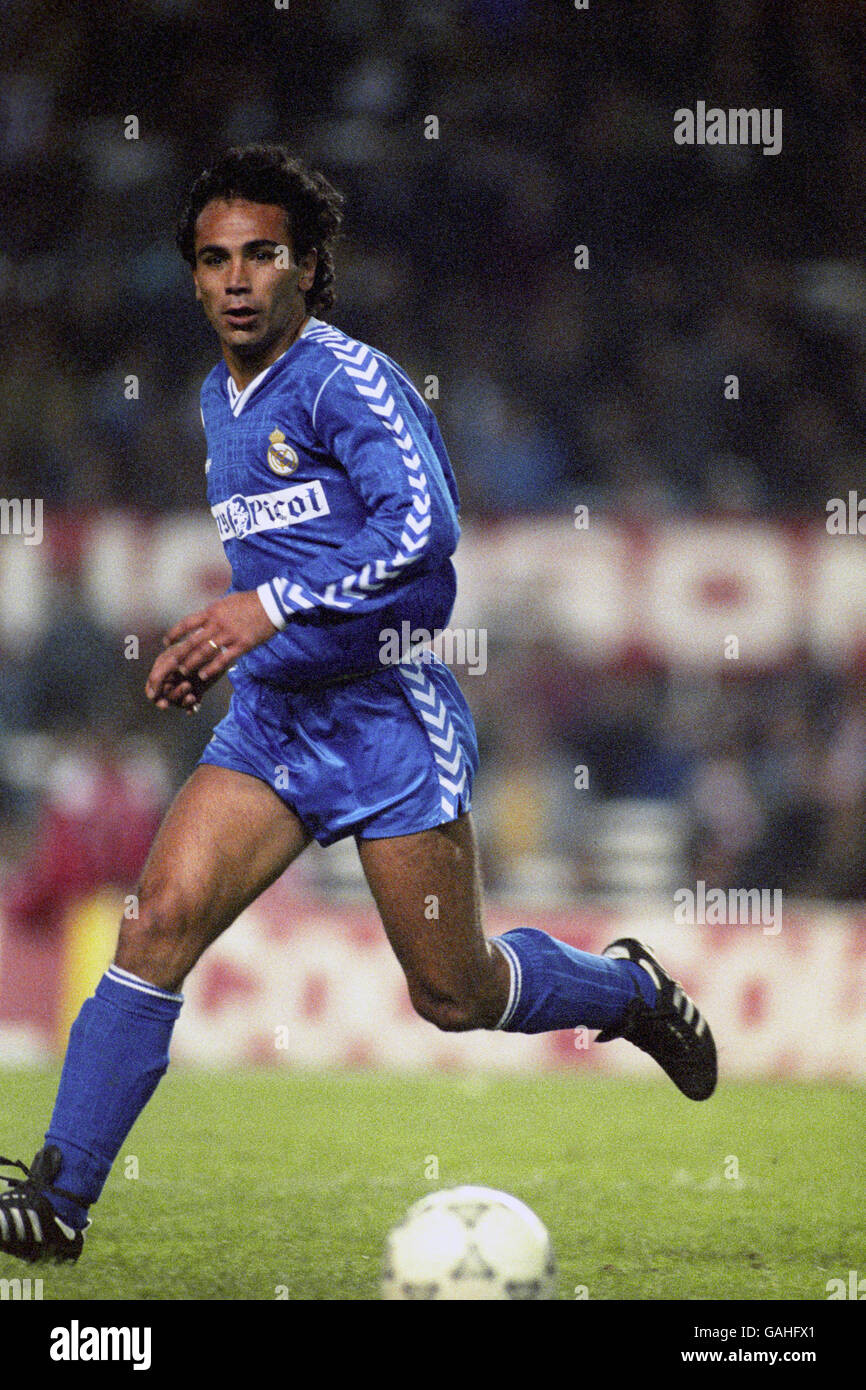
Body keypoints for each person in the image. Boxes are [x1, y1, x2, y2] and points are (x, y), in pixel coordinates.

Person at [0, 146, 716, 1264]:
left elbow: (423, 542)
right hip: (271, 723)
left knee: (455, 991)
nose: (236, 278)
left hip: (384, 719)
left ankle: (624, 991)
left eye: (261, 255)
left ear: (307, 267)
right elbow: (289, 550)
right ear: (193, 278)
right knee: (155, 924)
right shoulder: (212, 396)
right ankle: (60, 1201)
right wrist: (232, 641)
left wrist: (264, 607)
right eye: (213, 258)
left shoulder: (349, 381)